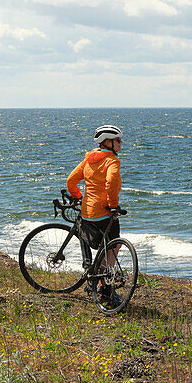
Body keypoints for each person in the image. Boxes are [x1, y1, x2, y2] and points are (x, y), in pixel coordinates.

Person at [67, 124, 123, 296]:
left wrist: (78, 196)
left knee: (99, 245)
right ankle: (105, 288)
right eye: (118, 140)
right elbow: (111, 183)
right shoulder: (111, 161)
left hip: (87, 212)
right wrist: (113, 205)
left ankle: (93, 276)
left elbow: (71, 181)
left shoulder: (88, 159)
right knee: (114, 245)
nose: (121, 143)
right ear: (107, 142)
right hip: (104, 212)